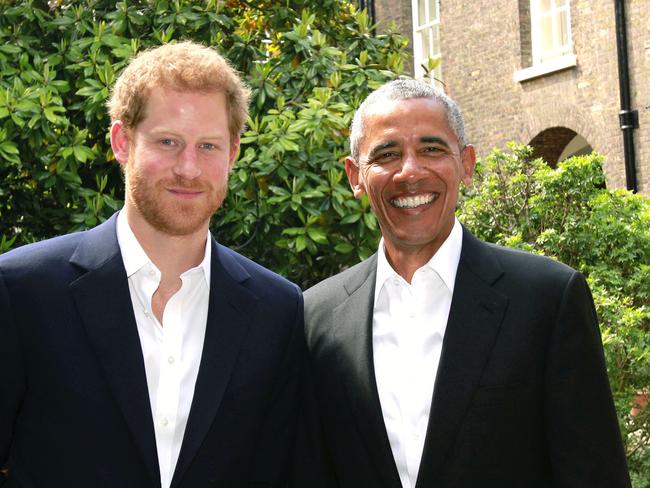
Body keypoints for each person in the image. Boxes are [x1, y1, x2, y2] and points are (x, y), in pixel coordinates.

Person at [0, 41, 304, 488]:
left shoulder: (277, 309)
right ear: (122, 142)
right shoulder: (22, 290)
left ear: (233, 153)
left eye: (208, 146)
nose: (188, 167)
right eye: (168, 142)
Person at [301, 79, 631, 487]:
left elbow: (595, 475)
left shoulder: (546, 299)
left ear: (467, 163)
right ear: (355, 176)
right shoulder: (316, 317)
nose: (410, 171)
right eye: (387, 154)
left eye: (432, 149)